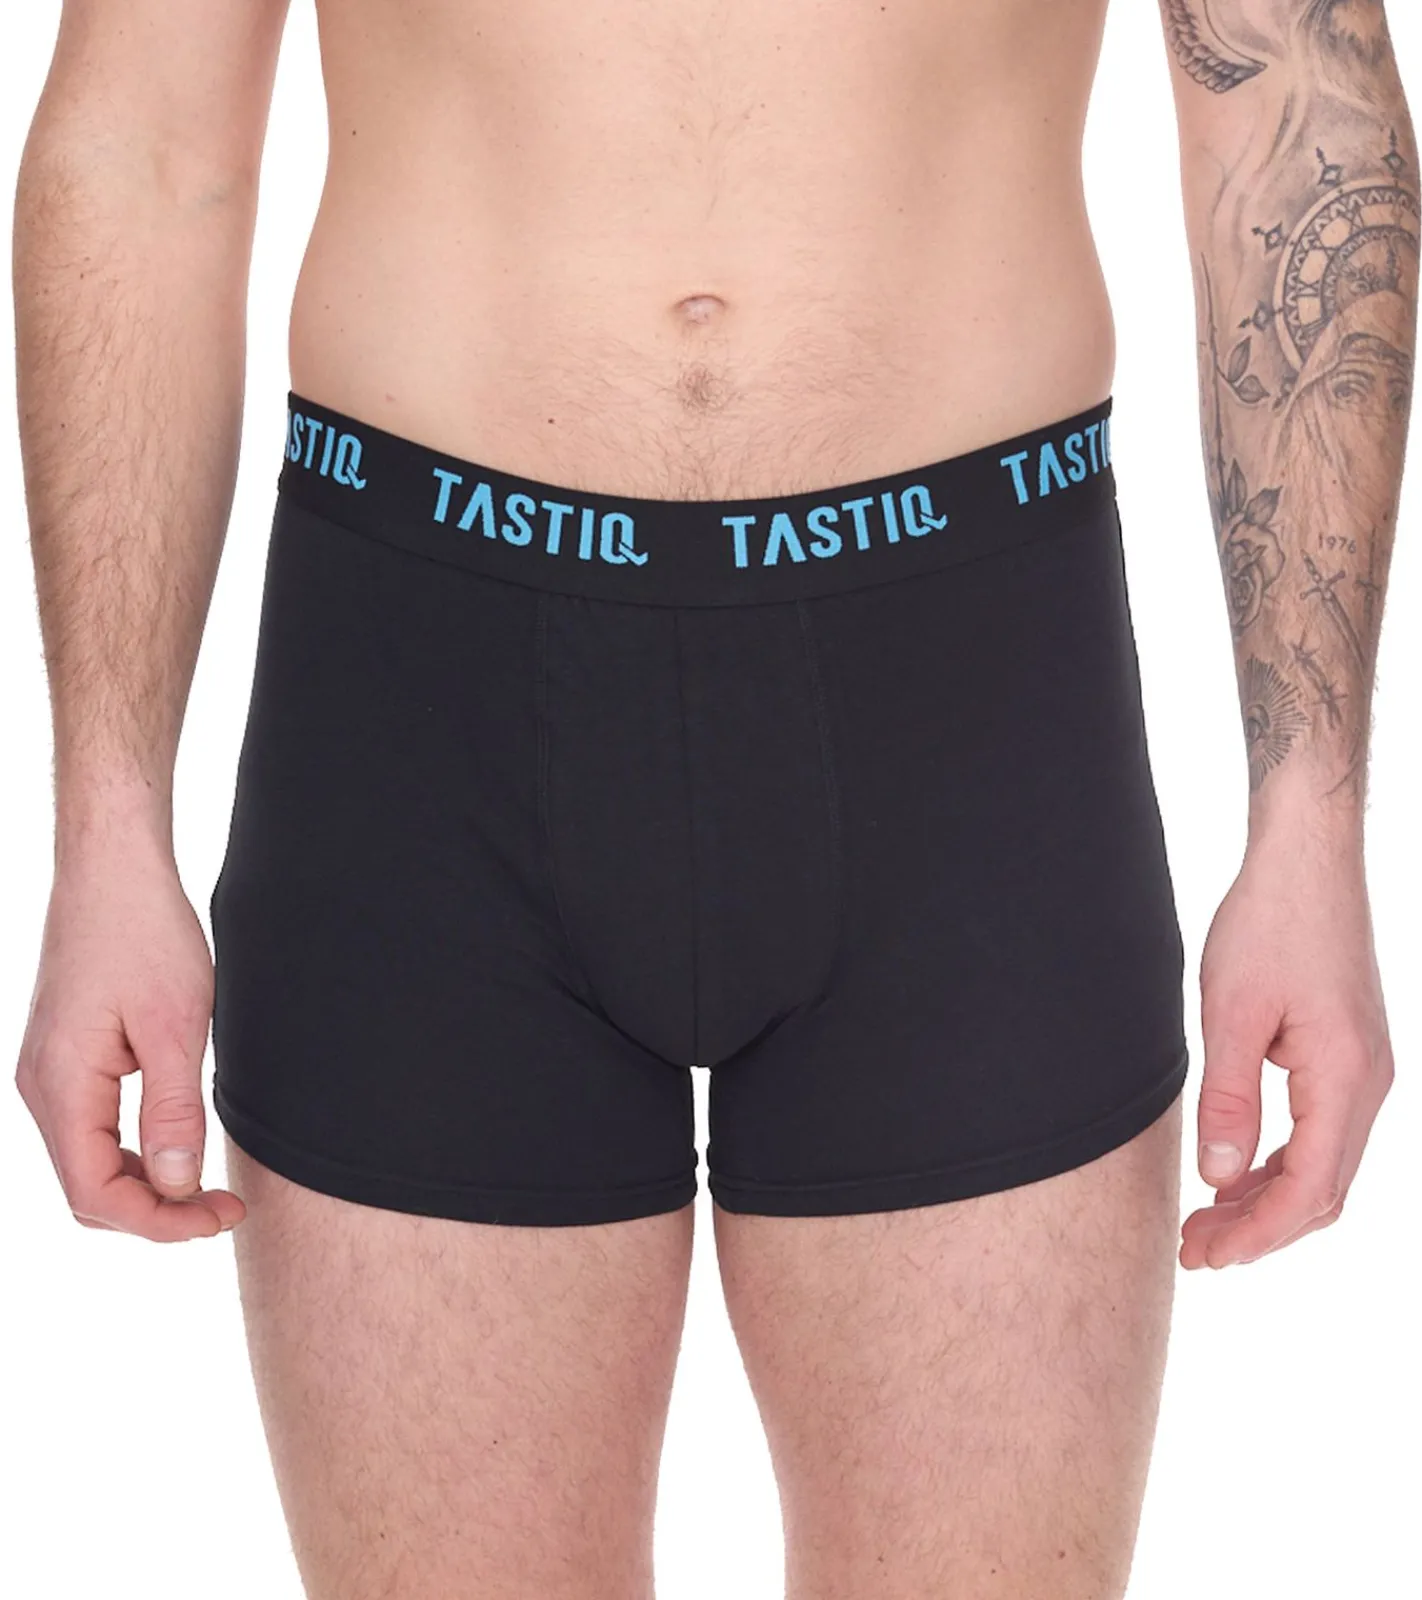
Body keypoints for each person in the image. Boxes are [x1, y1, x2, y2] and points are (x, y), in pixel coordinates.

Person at [10, 1, 1412, 1595]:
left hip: (965, 701)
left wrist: (1310, 822)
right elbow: (145, 141)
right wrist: (105, 825)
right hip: (421, 702)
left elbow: (1295, 110)